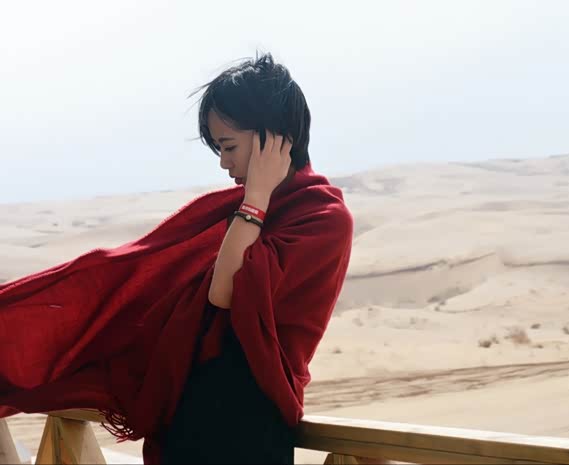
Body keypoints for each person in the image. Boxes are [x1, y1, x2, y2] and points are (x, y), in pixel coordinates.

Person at [0, 53, 353, 464]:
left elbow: (226, 292)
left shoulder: (321, 218)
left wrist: (255, 199)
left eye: (229, 147)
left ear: (273, 139)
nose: (223, 163)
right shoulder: (240, 213)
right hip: (184, 422)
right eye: (218, 149)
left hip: (247, 428)